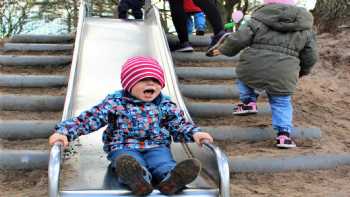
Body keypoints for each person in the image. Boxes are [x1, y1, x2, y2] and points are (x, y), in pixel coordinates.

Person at [48, 56, 214, 195]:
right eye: (143, 80)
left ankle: (172, 180)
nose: (151, 84)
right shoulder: (116, 102)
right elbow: (91, 118)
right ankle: (138, 179)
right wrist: (65, 132)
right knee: (129, 162)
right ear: (129, 84)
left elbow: (179, 124)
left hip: (157, 146)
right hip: (123, 146)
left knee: (163, 164)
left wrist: (195, 133)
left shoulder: (165, 104)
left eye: (156, 81)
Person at [208, 0, 318, 148]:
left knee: (243, 77)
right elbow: (310, 55)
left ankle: (248, 102)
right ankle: (284, 135)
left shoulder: (257, 21)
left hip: (254, 65)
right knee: (281, 102)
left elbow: (239, 39)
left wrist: (225, 49)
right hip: (284, 72)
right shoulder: (304, 29)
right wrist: (304, 70)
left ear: (268, 4)